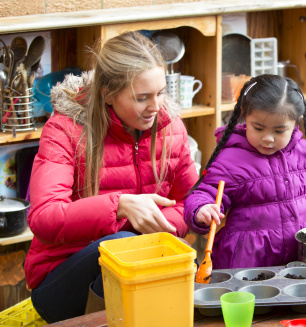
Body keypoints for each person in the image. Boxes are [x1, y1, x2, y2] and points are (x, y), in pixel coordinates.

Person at [25, 31, 198, 323]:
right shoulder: (64, 131)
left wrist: (161, 226)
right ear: (107, 93)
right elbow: (44, 218)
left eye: (161, 92)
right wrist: (119, 205)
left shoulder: (171, 127)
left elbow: (190, 200)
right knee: (121, 244)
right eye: (142, 98)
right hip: (62, 279)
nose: (156, 107)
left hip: (141, 268)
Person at [184, 74, 306, 269]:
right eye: (258, 128)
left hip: (301, 255)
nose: (268, 138)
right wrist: (202, 209)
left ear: (296, 122)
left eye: (279, 131)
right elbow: (206, 191)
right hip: (247, 261)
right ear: (245, 115)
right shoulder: (230, 159)